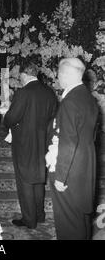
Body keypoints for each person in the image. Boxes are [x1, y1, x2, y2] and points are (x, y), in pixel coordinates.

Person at [46, 58, 99, 240]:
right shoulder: (88, 98)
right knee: (80, 220)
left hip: (69, 170)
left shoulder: (70, 101)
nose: (58, 77)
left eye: (60, 73)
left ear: (67, 75)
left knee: (68, 222)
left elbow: (68, 141)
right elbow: (90, 136)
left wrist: (61, 176)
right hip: (84, 165)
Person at [4, 63, 57, 229]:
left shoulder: (24, 92)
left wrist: (6, 115)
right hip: (43, 142)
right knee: (38, 179)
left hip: (24, 142)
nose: (19, 78)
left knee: (25, 180)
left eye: (20, 75)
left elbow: (11, 118)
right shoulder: (49, 92)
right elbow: (54, 118)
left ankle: (29, 219)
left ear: (24, 75)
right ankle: (40, 215)